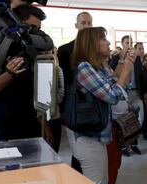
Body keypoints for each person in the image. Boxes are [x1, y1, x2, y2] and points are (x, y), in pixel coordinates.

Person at [0, 4, 52, 140]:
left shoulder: (32, 53)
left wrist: (43, 123)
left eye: (38, 29)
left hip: (28, 127)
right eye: (30, 27)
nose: (34, 33)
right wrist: (9, 75)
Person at [67, 27, 134, 184]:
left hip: (96, 133)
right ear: (91, 44)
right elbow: (112, 96)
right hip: (87, 135)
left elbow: (116, 82)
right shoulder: (85, 67)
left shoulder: (100, 66)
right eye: (103, 39)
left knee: (102, 180)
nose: (109, 42)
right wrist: (126, 71)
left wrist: (124, 62)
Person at [57, 11, 93, 173]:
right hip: (74, 105)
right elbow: (64, 81)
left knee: (92, 150)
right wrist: (64, 109)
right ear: (76, 25)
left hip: (95, 105)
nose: (86, 26)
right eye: (83, 22)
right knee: (78, 149)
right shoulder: (65, 50)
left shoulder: (97, 48)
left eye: (89, 23)